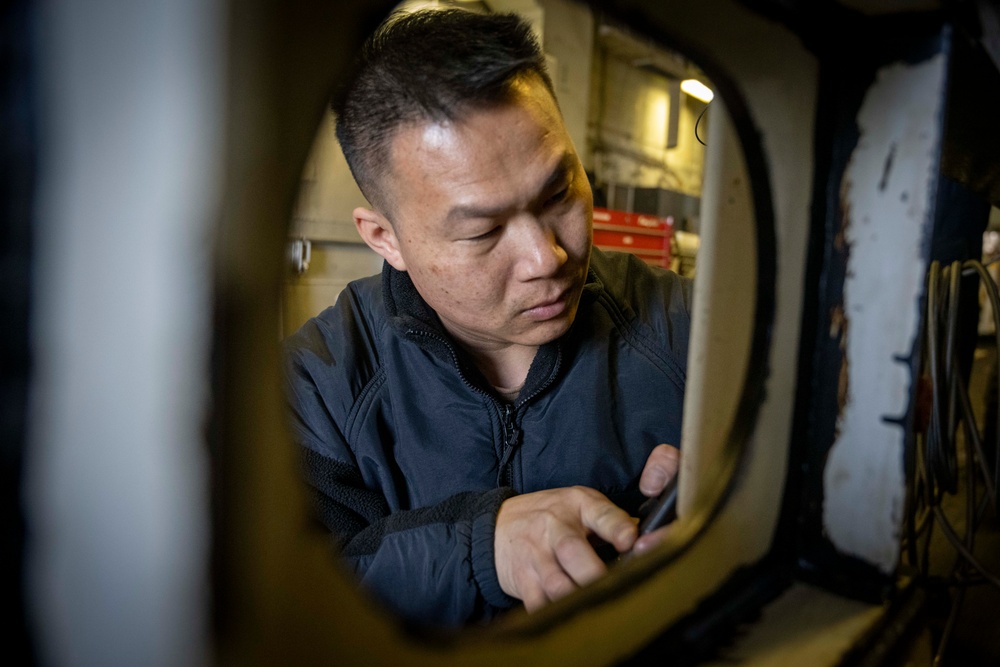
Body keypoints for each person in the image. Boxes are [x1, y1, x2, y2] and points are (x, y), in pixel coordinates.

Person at [282, 8, 690, 627]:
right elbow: (296, 594)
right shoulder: (320, 385)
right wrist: (479, 550)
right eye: (483, 230)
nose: (545, 258)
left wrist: (738, 491)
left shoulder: (692, 330)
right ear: (385, 237)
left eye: (560, 194)